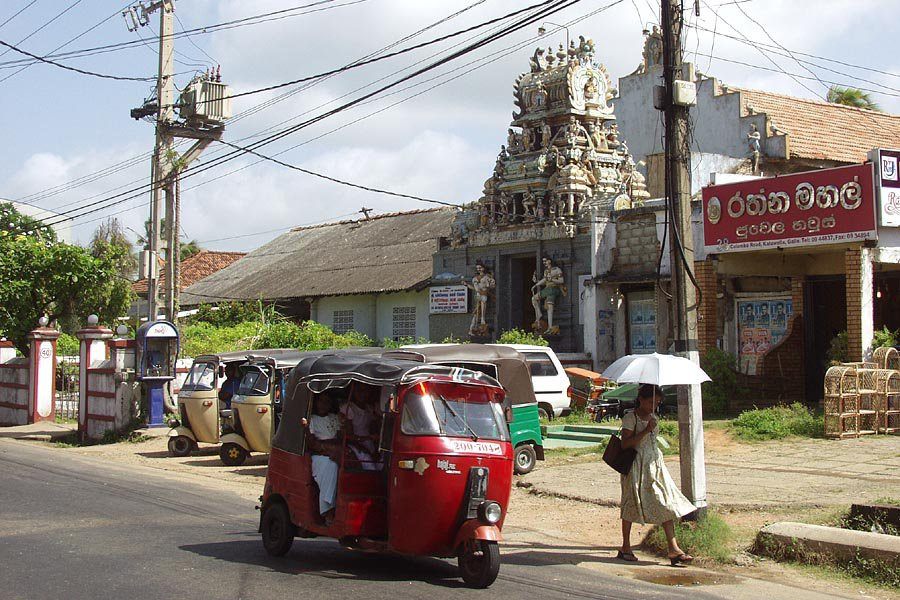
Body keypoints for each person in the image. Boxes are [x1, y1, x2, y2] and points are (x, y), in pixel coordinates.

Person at [617, 384, 696, 565]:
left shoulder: (654, 417)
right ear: (642, 399)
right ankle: (625, 546)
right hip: (636, 466)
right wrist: (646, 430)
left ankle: (673, 548)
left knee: (665, 502)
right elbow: (626, 444)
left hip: (655, 466)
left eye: (657, 402)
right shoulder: (631, 418)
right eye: (651, 401)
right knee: (631, 503)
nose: (654, 405)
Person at [302, 393, 342, 524]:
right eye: (321, 401)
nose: (323, 405)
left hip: (336, 452)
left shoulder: (334, 418)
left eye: (327, 402)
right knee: (331, 467)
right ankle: (327, 511)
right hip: (320, 457)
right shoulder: (312, 420)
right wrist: (327, 448)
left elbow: (340, 438)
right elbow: (312, 444)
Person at [340, 383, 381, 470]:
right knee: (371, 467)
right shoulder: (348, 408)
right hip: (355, 445)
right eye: (359, 391)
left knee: (381, 465)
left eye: (364, 391)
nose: (361, 394)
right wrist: (367, 440)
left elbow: (373, 429)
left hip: (369, 444)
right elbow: (349, 436)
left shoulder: (369, 409)